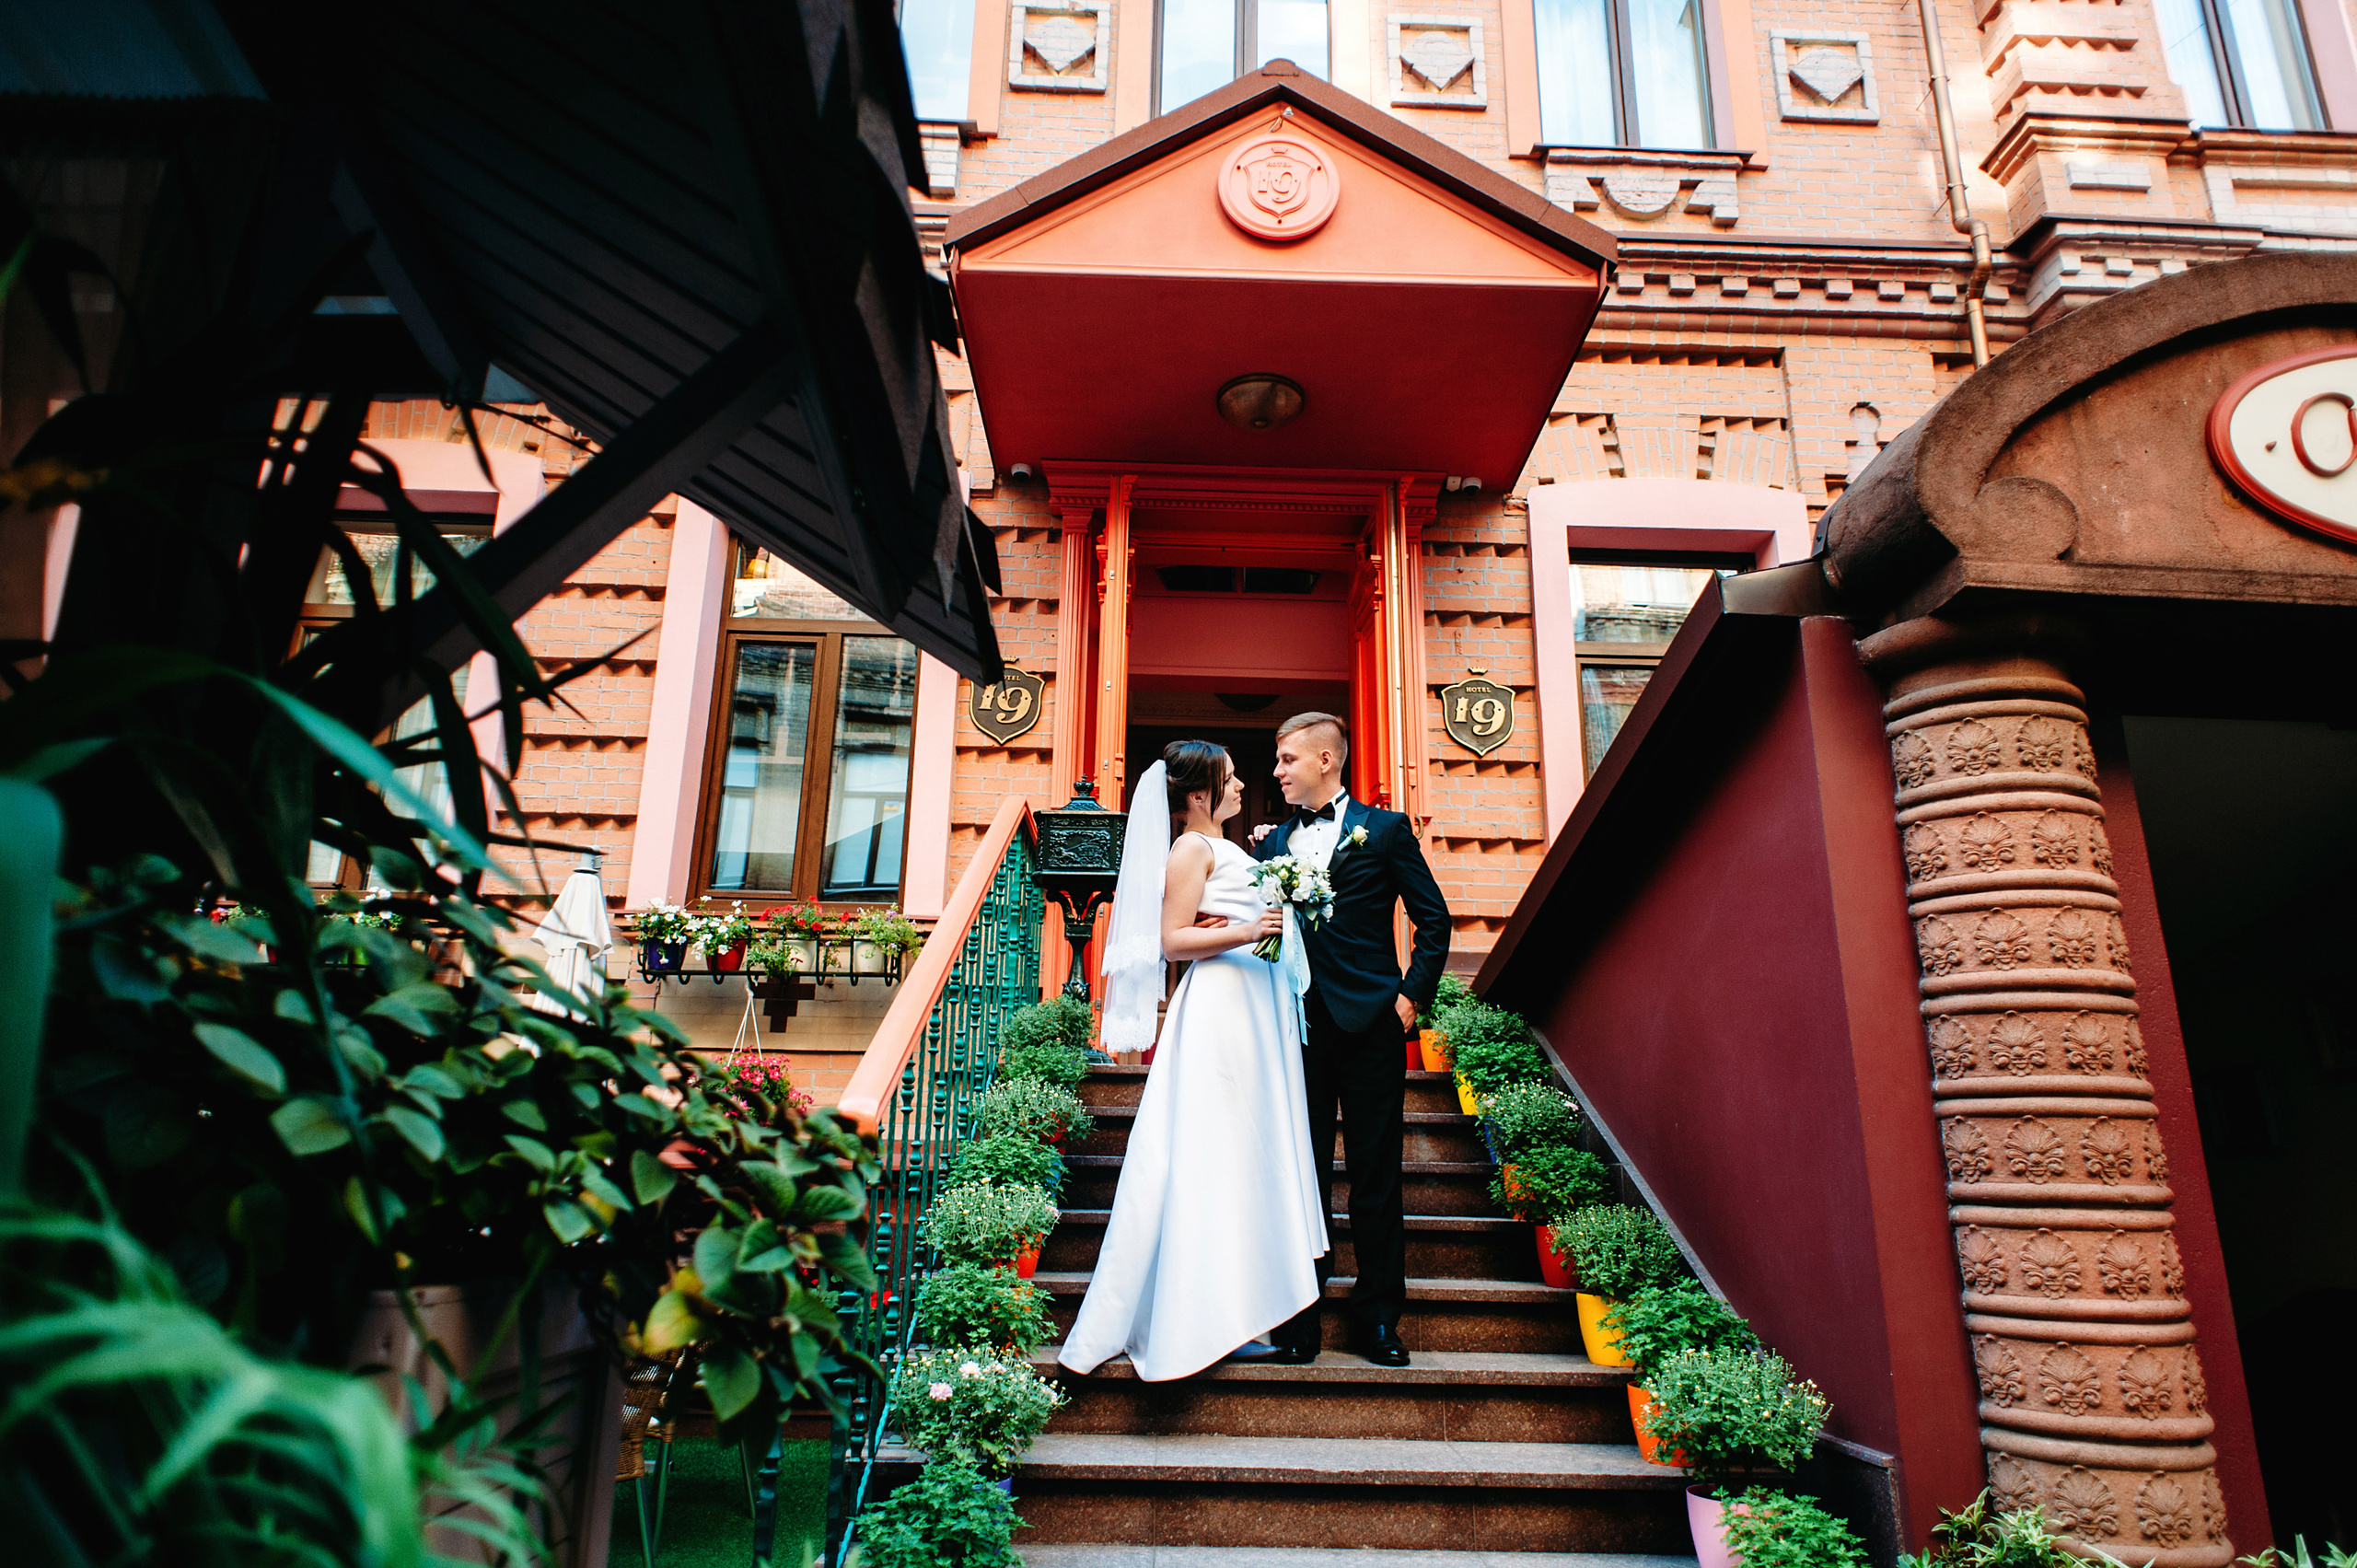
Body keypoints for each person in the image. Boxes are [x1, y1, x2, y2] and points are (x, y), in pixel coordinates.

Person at [1056, 741, 1331, 1381]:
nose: (1242, 786)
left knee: (1242, 1154)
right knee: (1213, 1154)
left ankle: (1236, 1312)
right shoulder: (1190, 848)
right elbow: (1173, 938)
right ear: (1202, 793)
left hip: (1255, 1007)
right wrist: (1246, 930)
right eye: (1232, 779)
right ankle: (1197, 1319)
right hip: (1218, 1009)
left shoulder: (1230, 847)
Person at [1253, 712, 1450, 1367]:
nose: (1277, 770)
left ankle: (1379, 1319)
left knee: (1375, 1178)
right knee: (1300, 1175)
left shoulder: (1387, 831)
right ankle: (1299, 1318)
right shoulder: (1271, 841)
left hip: (1372, 1028)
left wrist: (1408, 1001)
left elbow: (1435, 920)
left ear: (1326, 760)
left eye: (1286, 758)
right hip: (1296, 1030)